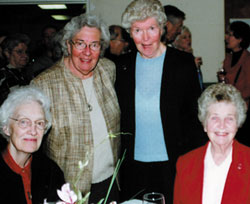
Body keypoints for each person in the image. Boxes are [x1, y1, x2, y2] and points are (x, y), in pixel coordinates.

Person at [116, 0, 205, 203]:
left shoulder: (183, 64)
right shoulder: (121, 67)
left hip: (173, 164)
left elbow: (195, 118)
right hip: (133, 166)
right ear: (130, 33)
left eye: (151, 29)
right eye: (138, 30)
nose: (145, 38)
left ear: (163, 29)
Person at [31, 13, 121, 204]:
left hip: (110, 182)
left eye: (94, 45)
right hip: (68, 189)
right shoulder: (43, 84)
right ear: (68, 44)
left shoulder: (108, 70)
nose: (87, 52)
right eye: (80, 43)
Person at [174, 83, 250, 204]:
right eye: (214, 118)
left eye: (229, 118)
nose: (222, 125)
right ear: (205, 124)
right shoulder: (185, 164)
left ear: (238, 124)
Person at [0, 86, 65, 203]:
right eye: (24, 122)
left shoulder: (51, 172)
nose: (33, 131)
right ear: (6, 128)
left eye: (39, 123)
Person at [218, 21, 250, 146]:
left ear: (240, 39)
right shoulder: (228, 58)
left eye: (230, 35)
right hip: (229, 110)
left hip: (243, 112)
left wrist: (235, 97)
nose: (226, 38)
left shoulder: (247, 59)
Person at [0, 33, 31, 106]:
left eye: (26, 52)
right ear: (7, 53)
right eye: (19, 52)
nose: (25, 56)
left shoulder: (24, 73)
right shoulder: (3, 75)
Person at [173, 26, 204, 90]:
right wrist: (191, 65)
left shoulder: (191, 56)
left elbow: (199, 82)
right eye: (184, 37)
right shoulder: (173, 57)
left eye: (190, 37)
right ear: (176, 41)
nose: (188, 40)